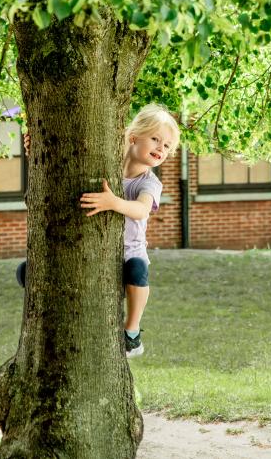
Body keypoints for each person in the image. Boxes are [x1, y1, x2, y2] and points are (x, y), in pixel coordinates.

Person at [18, 103, 180, 358]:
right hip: (95, 247)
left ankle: (133, 331)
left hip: (128, 252)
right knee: (25, 271)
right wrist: (35, 151)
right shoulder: (107, 164)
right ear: (133, 136)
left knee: (139, 270)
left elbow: (141, 210)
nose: (161, 148)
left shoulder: (149, 182)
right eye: (155, 139)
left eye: (167, 146)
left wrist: (113, 202)